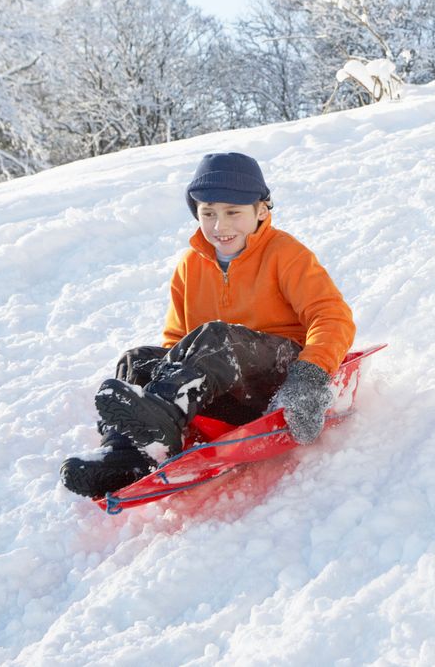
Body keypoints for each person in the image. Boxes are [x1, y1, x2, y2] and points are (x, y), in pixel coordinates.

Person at [60, 152, 357, 498]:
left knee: (216, 335)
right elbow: (176, 340)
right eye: (208, 213)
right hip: (221, 389)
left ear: (261, 210)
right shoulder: (190, 266)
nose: (220, 226)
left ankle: (163, 422)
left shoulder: (286, 254)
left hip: (278, 376)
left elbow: (331, 315)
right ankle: (126, 453)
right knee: (137, 359)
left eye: (233, 212)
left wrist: (308, 377)